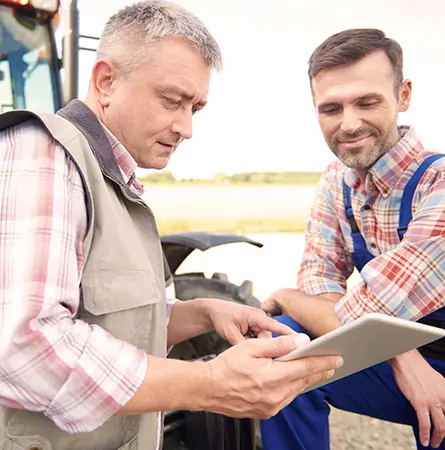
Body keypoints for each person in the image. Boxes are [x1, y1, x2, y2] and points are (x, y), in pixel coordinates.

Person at [0, 2, 343, 450]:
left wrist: (197, 314)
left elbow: (103, 318)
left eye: (195, 108)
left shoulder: (111, 176)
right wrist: (209, 382)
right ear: (106, 81)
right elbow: (25, 347)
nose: (186, 127)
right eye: (172, 101)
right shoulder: (43, 156)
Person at [260, 28, 445, 450]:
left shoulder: (439, 184)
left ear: (404, 95)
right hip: (409, 360)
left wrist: (286, 296)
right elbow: (320, 281)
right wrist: (404, 357)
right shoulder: (338, 181)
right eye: (331, 108)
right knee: (280, 348)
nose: (349, 124)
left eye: (367, 102)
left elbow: (370, 308)